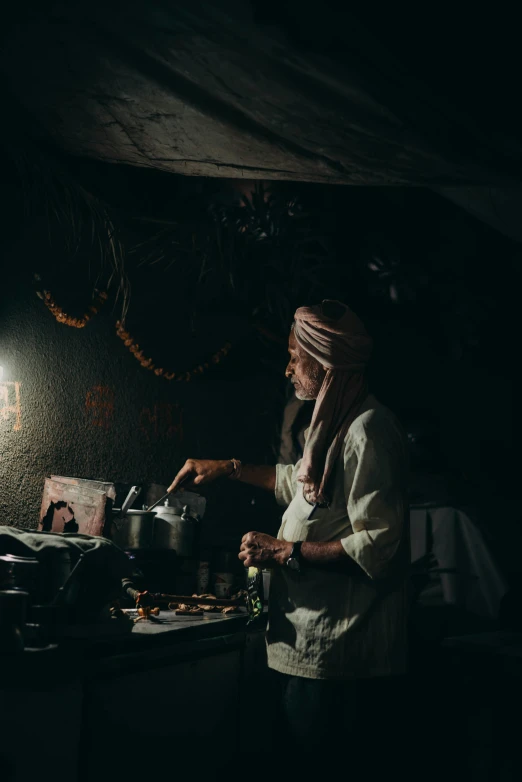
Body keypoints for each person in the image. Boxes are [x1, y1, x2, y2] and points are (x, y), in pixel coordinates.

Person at [168, 300, 410, 764]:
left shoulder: (368, 431)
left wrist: (284, 552)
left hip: (337, 659)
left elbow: (378, 545)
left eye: (295, 356)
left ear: (326, 363)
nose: (288, 369)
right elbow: (295, 484)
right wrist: (228, 468)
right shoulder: (334, 425)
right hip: (307, 648)